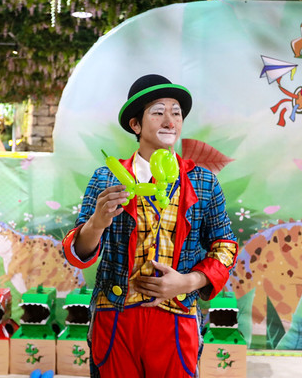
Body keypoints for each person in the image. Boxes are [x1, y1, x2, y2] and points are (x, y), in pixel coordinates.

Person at [62, 74, 238, 378]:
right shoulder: (106, 178)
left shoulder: (204, 181)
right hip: (115, 315)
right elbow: (78, 252)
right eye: (158, 112)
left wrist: (188, 282)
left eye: (176, 113)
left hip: (177, 318)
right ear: (136, 125)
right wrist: (96, 224)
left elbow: (225, 245)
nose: (170, 121)